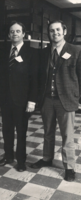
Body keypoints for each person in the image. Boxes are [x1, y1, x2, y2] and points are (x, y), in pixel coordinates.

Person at [30, 20, 81, 182]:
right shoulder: (44, 52)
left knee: (67, 136)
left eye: (58, 30)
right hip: (47, 100)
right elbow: (39, 77)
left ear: (64, 31)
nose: (55, 33)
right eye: (52, 31)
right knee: (48, 133)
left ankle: (70, 167)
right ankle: (47, 158)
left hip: (66, 100)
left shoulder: (76, 50)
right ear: (49, 33)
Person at [0, 21, 38, 172]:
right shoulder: (4, 51)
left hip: (22, 100)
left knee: (21, 131)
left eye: (18, 31)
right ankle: (8, 156)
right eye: (12, 31)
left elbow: (34, 79)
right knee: (7, 130)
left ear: (23, 34)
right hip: (5, 99)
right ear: (9, 34)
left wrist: (32, 100)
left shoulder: (31, 53)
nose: (15, 34)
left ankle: (21, 161)